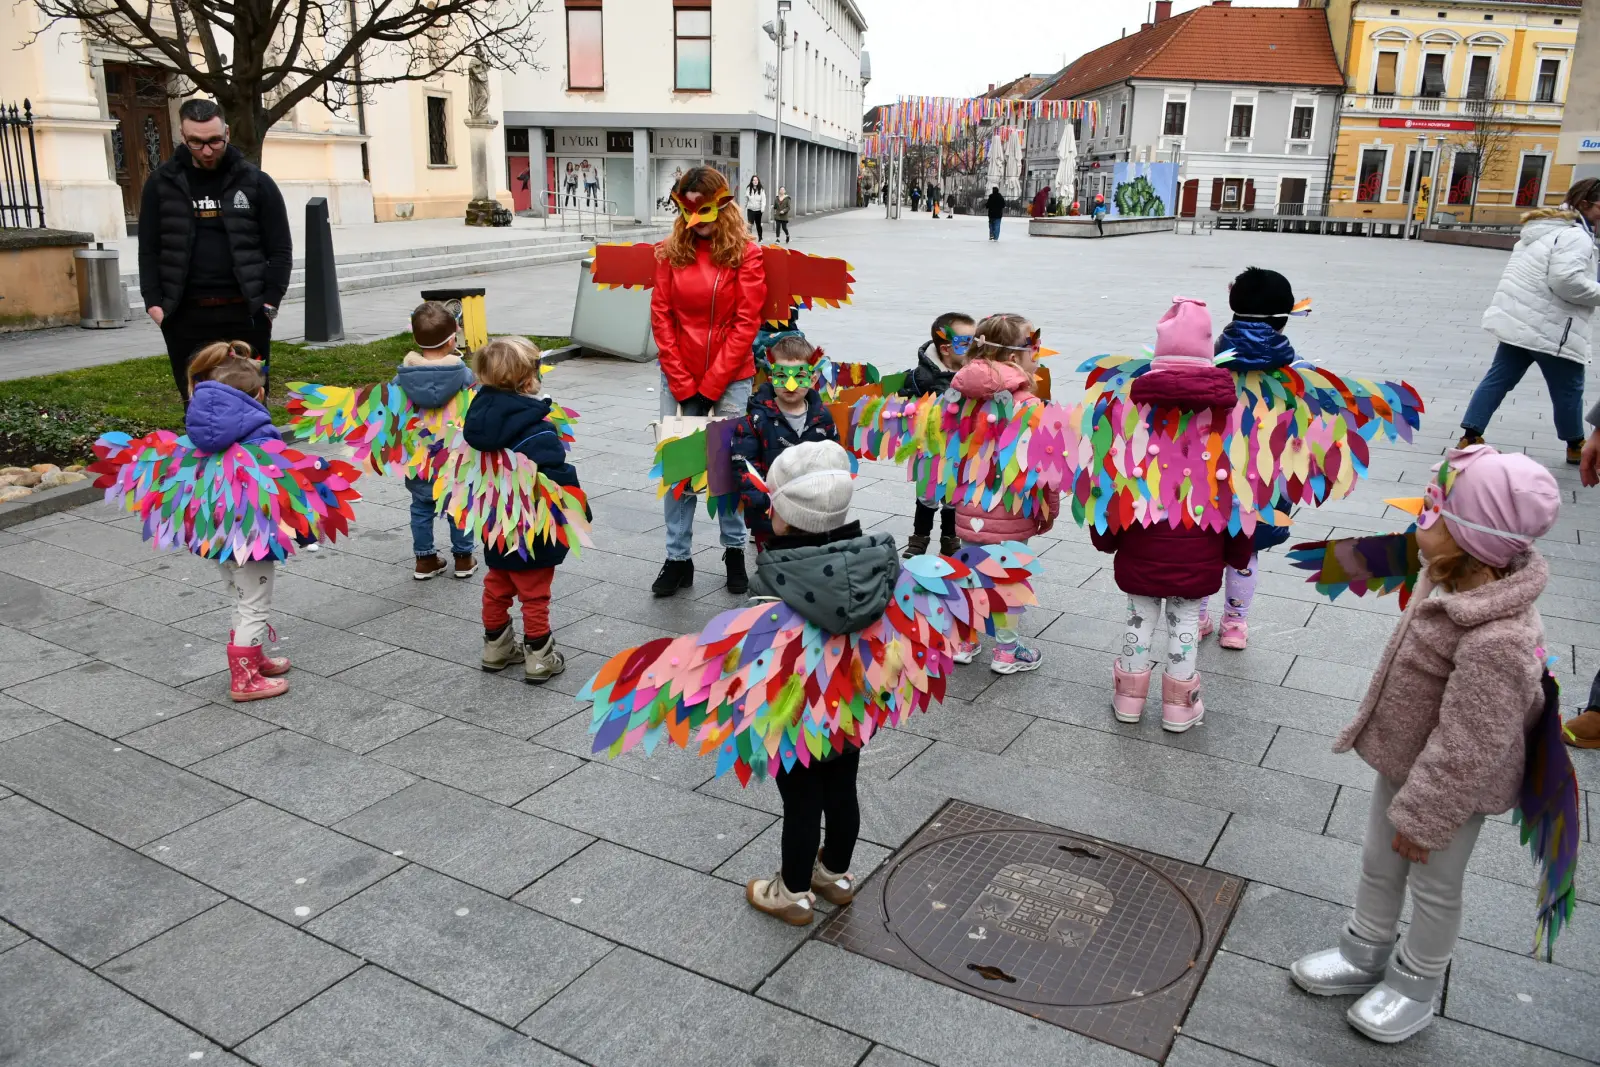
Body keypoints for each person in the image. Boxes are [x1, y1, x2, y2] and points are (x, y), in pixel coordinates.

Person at [1290, 445, 1559, 1043]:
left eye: (1435, 512)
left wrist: (1426, 816)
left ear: (1473, 541)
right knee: (1378, 860)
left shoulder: (1497, 640)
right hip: (1406, 760)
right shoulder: (1447, 576)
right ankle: (1363, 951)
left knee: (1435, 887)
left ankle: (1415, 985)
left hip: (1448, 790)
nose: (1420, 520)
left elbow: (1469, 746)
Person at [744, 440, 893, 924]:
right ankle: (835, 874)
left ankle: (790, 892)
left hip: (796, 710)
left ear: (783, 516)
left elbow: (757, 655)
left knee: (802, 799)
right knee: (843, 788)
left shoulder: (772, 578)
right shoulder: (878, 563)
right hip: (852, 703)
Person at [1091, 299, 1255, 732]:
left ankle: (1128, 699)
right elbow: (1240, 494)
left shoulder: (1128, 412)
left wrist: (1105, 538)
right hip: (1199, 548)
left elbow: (1108, 481)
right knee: (1185, 622)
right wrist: (1239, 551)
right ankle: (1180, 707)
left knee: (1139, 618)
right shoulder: (1230, 418)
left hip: (1141, 545)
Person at [649, 166, 766, 598]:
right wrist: (681, 380)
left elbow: (746, 321)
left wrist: (714, 382)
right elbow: (661, 316)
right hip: (678, 375)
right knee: (679, 468)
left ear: (725, 203)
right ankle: (677, 558)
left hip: (730, 377)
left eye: (707, 208)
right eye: (689, 209)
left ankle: (734, 551)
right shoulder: (669, 252)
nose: (698, 220)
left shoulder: (746, 254)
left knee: (725, 465)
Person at [139, 98, 292, 404]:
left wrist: (270, 303)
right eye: (196, 142)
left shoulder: (256, 183)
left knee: (251, 405)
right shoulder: (161, 184)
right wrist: (154, 304)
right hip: (184, 316)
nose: (206, 151)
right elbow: (149, 249)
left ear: (228, 133)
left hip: (245, 314)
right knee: (197, 408)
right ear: (183, 136)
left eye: (214, 141)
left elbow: (280, 247)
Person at [465, 337, 582, 684]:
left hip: (495, 520)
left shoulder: (477, 419)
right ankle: (540, 656)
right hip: (532, 525)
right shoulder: (535, 428)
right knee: (534, 593)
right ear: (528, 379)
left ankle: (496, 648)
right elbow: (555, 477)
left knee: (497, 584)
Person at [1460, 177, 1600, 464]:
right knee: (1569, 387)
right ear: (1585, 204)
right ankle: (1575, 444)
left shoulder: (1544, 229)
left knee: (1498, 378)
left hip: (1519, 319)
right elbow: (1566, 282)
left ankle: (1470, 436)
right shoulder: (1576, 236)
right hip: (1551, 326)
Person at [1198, 267, 1303, 650]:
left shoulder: (1211, 359)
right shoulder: (1296, 371)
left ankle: (1198, 617)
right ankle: (1236, 624)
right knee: (1248, 549)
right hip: (1265, 475)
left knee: (1206, 543)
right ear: (1284, 317)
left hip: (1211, 470)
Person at [948, 314, 1057, 674]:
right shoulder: (1028, 406)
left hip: (968, 506)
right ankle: (1007, 652)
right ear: (1014, 358)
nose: (1038, 355)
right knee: (1008, 579)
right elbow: (1042, 468)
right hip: (1010, 511)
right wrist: (1049, 510)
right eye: (1034, 346)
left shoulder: (959, 396)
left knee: (971, 573)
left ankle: (966, 641)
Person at [185, 342, 292, 702]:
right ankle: (244, 680)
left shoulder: (199, 430)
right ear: (259, 395)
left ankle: (253, 657)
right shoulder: (260, 432)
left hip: (216, 533)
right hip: (251, 534)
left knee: (240, 599)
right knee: (254, 605)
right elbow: (279, 481)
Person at [731, 335, 840, 551]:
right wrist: (768, 504)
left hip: (812, 512)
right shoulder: (756, 420)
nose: (790, 385)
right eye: (782, 376)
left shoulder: (822, 418)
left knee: (809, 565)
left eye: (799, 376)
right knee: (774, 568)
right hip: (771, 516)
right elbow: (745, 467)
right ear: (771, 377)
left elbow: (834, 459)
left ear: (813, 378)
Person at [397, 301, 477, 581]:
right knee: (460, 503)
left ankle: (425, 560)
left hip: (419, 455)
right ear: (453, 338)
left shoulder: (402, 379)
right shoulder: (465, 376)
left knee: (420, 506)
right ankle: (464, 558)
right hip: (456, 454)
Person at [899, 311, 974, 559]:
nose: (973, 348)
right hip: (930, 445)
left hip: (961, 445)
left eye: (976, 341)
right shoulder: (922, 376)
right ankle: (919, 537)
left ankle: (949, 537)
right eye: (966, 342)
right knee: (927, 493)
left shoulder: (975, 375)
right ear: (945, 348)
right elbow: (903, 402)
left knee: (953, 494)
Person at [744, 175, 767, 242]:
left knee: (758, 225)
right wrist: (744, 206)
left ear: (758, 181)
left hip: (758, 210)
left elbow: (763, 200)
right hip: (750, 209)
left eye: (756, 180)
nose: (755, 181)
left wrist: (762, 208)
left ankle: (760, 238)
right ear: (752, 181)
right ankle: (749, 238)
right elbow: (746, 199)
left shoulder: (761, 189)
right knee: (749, 225)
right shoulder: (748, 189)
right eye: (754, 180)